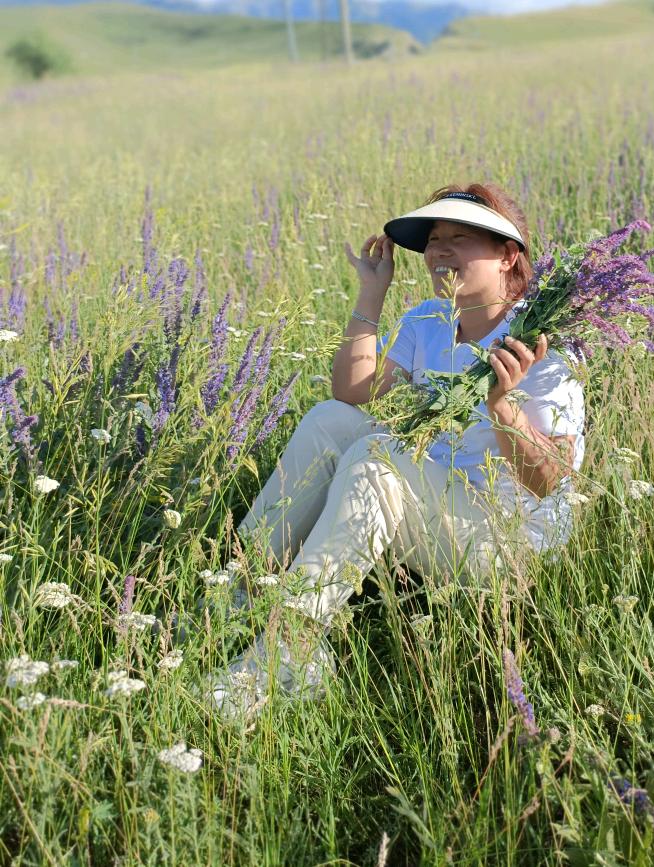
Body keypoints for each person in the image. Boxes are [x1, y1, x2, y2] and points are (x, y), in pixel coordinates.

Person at [205, 183, 586, 718]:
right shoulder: (429, 321)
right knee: (329, 421)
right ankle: (233, 593)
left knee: (379, 456)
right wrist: (371, 294)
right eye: (434, 239)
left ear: (507, 256)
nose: (439, 251)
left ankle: (291, 649)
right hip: (435, 503)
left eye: (461, 237)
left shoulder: (541, 344)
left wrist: (503, 405)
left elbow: (550, 483)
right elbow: (352, 393)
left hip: (502, 539)